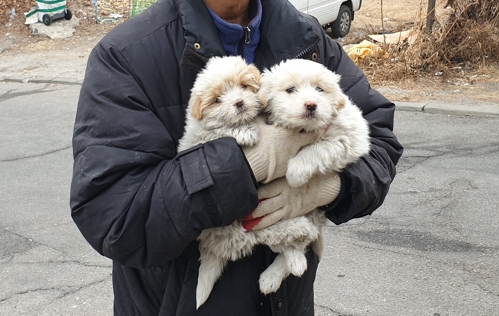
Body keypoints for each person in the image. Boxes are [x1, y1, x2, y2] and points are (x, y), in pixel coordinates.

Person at [70, 0, 403, 315]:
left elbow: (380, 144)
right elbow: (114, 217)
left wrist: (333, 186)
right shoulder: (127, 56)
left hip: (287, 302)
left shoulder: (307, 37)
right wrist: (245, 165)